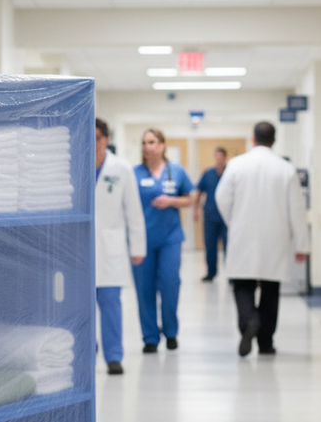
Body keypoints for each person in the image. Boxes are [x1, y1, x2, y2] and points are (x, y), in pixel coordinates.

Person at [215, 121, 310, 357]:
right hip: (275, 237)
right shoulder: (285, 168)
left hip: (242, 234)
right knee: (270, 289)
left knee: (242, 285)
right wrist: (302, 244)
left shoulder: (236, 165)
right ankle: (266, 343)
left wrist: (234, 221)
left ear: (253, 139)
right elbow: (297, 209)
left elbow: (221, 198)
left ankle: (248, 323)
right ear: (273, 141)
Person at [132, 128, 194, 352]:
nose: (148, 146)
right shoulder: (134, 173)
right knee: (144, 289)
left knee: (170, 284)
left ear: (162, 145)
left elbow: (190, 198)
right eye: (145, 142)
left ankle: (170, 331)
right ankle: (150, 337)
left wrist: (171, 201)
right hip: (142, 240)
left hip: (170, 238)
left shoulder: (175, 171)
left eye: (152, 142)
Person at [94, 118, 146, 375]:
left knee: (110, 303)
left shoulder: (121, 169)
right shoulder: (72, 164)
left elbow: (133, 211)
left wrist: (138, 247)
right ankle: (86, 352)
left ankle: (113, 356)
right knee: (80, 306)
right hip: (78, 249)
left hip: (109, 248)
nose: (94, 144)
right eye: (89, 137)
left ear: (107, 139)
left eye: (98, 138)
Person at [194, 147, 229, 281]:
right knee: (210, 246)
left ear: (225, 157)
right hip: (210, 216)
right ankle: (211, 272)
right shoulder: (208, 173)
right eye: (217, 157)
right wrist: (196, 210)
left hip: (227, 218)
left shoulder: (230, 173)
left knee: (229, 246)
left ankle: (231, 274)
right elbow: (199, 192)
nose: (219, 159)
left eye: (221, 157)